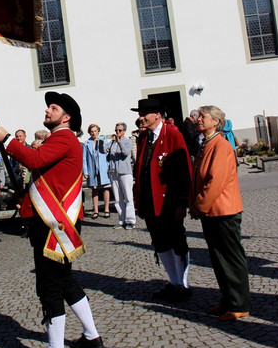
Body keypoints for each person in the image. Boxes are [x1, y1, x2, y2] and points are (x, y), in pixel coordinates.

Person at [0, 91, 104, 348]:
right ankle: (92, 337)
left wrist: (6, 139)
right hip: (54, 221)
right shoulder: (60, 139)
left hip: (53, 224)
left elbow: (35, 160)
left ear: (66, 117)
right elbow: (46, 178)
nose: (48, 110)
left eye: (53, 108)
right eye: (48, 107)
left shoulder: (64, 138)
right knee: (65, 281)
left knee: (49, 286)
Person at [189, 105, 250, 321]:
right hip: (212, 212)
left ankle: (239, 303)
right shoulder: (206, 143)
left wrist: (198, 205)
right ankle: (227, 299)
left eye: (203, 117)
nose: (198, 120)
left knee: (231, 258)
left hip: (224, 210)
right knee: (218, 258)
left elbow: (216, 181)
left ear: (216, 121)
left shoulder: (221, 146)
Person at [132, 98, 192, 301]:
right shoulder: (144, 138)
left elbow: (184, 169)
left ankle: (183, 284)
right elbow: (139, 169)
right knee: (160, 242)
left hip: (169, 201)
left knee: (177, 241)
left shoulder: (173, 134)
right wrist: (139, 200)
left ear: (157, 115)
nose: (141, 118)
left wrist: (182, 202)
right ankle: (173, 282)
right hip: (150, 201)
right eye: (140, 114)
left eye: (144, 114)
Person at [104, 123, 135, 228]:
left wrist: (119, 142)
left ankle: (130, 220)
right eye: (116, 130)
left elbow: (126, 153)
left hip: (125, 172)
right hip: (114, 172)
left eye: (120, 130)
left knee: (128, 197)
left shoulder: (127, 141)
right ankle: (122, 220)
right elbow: (104, 150)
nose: (117, 132)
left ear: (124, 131)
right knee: (117, 198)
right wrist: (100, 142)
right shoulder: (113, 143)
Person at [83, 123, 110, 218]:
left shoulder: (104, 141)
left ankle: (107, 209)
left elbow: (108, 155)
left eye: (95, 131)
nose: (93, 133)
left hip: (103, 168)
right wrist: (85, 171)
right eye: (91, 131)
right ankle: (96, 210)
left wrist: (108, 168)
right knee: (94, 189)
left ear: (98, 131)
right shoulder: (87, 143)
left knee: (105, 188)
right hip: (92, 169)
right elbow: (84, 158)